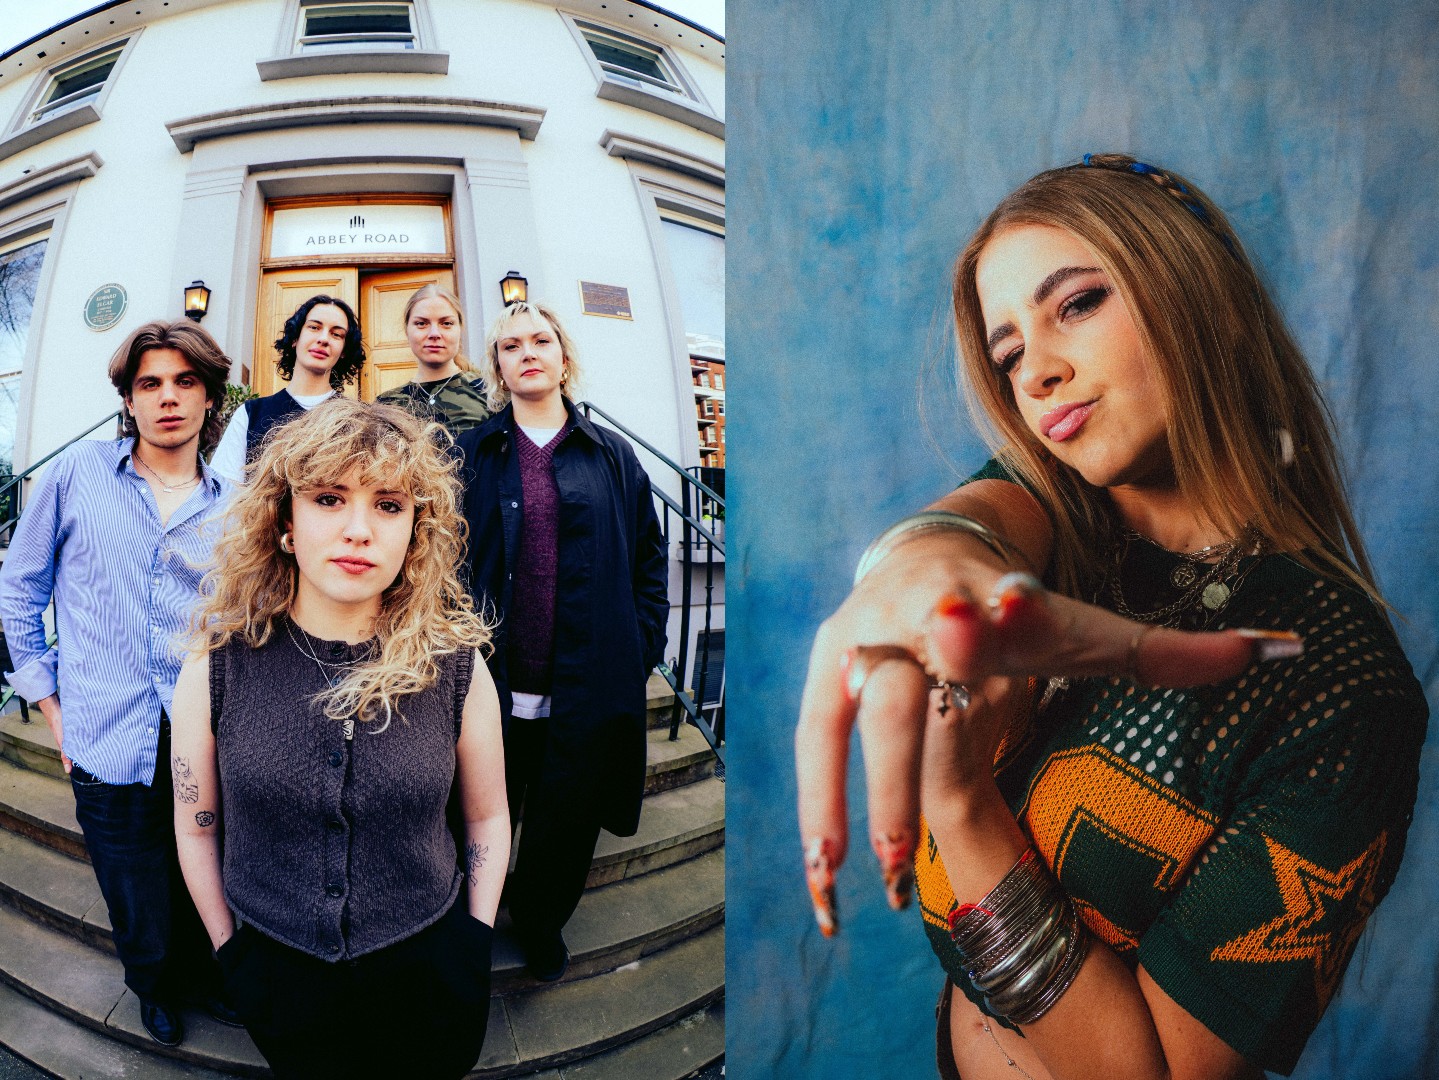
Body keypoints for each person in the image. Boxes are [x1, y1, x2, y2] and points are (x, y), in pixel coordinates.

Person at [794, 155, 1427, 1080]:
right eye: (1008, 351)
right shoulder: (1053, 514)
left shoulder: (1340, 688)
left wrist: (960, 807)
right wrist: (918, 559)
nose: (1038, 372)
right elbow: (966, 529)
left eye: (1077, 304)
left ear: (1196, 293)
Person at [170, 399, 508, 1079]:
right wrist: (230, 952)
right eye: (328, 498)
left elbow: (489, 816)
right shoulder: (219, 663)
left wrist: (474, 937)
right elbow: (197, 825)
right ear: (286, 523)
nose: (358, 530)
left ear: (415, 532)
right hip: (279, 975)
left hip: (429, 973)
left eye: (388, 505)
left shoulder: (456, 666)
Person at [0, 320, 238, 1046]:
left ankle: (201, 976)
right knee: (131, 878)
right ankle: (154, 986)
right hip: (103, 729)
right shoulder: (76, 477)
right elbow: (18, 588)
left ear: (208, 398)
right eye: (149, 384)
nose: (167, 397)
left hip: (202, 732)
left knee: (200, 864)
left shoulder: (234, 505)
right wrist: (48, 702)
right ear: (128, 401)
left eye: (184, 382)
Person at [457, 301, 668, 981]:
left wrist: (639, 650)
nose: (527, 352)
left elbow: (647, 559)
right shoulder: (473, 454)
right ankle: (470, 921)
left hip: (586, 683)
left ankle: (540, 921)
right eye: (510, 344)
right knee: (476, 814)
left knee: (565, 824)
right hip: (489, 684)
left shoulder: (611, 456)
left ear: (562, 356)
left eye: (539, 340)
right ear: (497, 367)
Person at [208, 294, 365, 483]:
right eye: (314, 327)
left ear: (344, 351)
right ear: (295, 338)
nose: (324, 339)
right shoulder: (251, 414)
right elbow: (224, 492)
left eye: (336, 334)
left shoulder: (358, 420)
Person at [376, 283, 490, 435]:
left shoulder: (489, 392)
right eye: (421, 323)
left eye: (446, 323)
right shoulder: (386, 405)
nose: (434, 333)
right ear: (407, 330)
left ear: (460, 329)